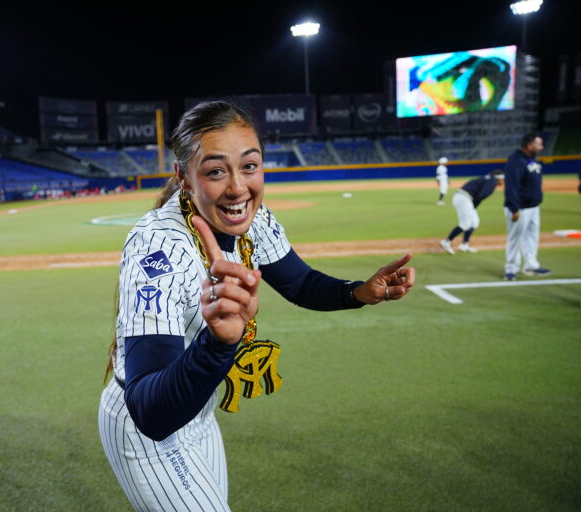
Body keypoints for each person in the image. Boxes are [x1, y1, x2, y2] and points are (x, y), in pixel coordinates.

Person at [97, 101, 416, 512]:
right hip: (147, 426)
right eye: (215, 171)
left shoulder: (253, 218)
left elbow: (299, 282)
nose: (237, 188)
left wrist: (357, 292)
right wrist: (216, 343)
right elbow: (151, 414)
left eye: (249, 166)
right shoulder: (159, 246)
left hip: (197, 406)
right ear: (182, 176)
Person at [503, 133, 550, 281]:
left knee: (531, 237)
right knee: (515, 239)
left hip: (533, 207)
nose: (541, 147)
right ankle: (511, 269)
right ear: (529, 145)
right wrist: (514, 208)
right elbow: (511, 186)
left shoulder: (531, 160)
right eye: (539, 144)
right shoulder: (516, 160)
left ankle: (531, 264)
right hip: (519, 208)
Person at [439, 170, 505, 254]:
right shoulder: (492, 182)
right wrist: (473, 205)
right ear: (498, 178)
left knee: (474, 222)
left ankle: (464, 245)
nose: (503, 181)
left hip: (463, 197)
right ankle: (446, 242)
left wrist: (472, 206)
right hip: (464, 198)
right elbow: (482, 195)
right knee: (465, 224)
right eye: (503, 179)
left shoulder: (488, 179)